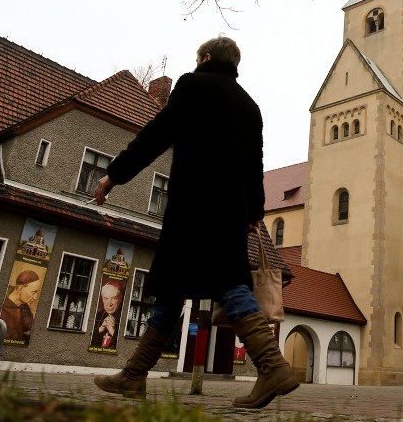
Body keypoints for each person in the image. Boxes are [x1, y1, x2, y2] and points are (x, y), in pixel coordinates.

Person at [92, 36, 299, 407]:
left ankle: (272, 366)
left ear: (204, 58)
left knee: (227, 285)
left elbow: (156, 135)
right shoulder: (250, 107)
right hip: (231, 214)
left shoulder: (192, 85)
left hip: (192, 209)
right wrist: (253, 213)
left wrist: (114, 175)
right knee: (174, 290)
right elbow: (256, 166)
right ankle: (135, 374)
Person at [0, 269, 40, 343]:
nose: (35, 298)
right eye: (33, 292)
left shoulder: (27, 311)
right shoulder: (0, 301)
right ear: (20, 289)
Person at [90, 280, 123, 349]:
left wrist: (113, 332)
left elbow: (126, 347)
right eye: (106, 298)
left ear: (119, 299)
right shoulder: (98, 315)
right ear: (102, 299)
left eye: (114, 298)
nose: (109, 304)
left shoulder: (123, 317)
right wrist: (100, 329)